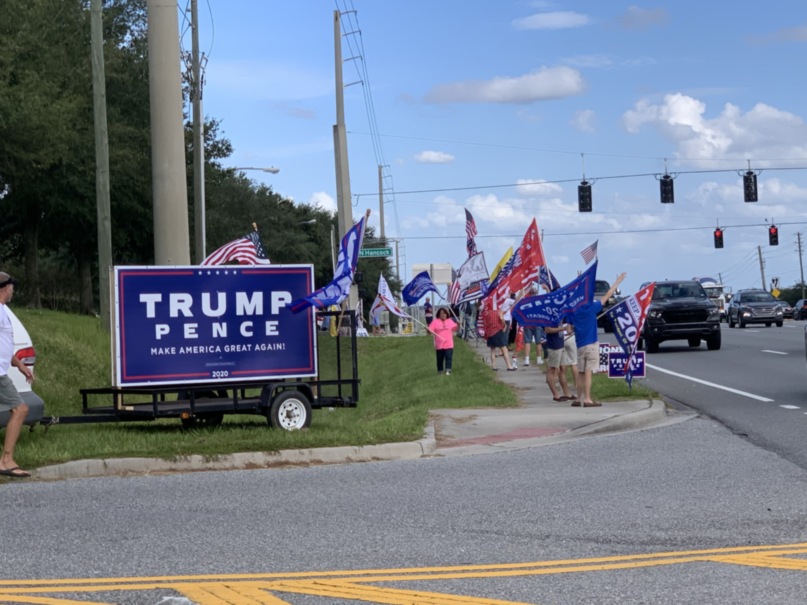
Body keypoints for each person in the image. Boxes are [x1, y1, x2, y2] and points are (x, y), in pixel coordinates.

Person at [567, 272, 626, 407]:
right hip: (591, 343)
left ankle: (579, 398)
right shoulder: (591, 308)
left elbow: (569, 330)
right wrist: (617, 282)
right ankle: (588, 399)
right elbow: (607, 296)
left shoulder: (574, 311)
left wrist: (579, 279)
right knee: (588, 372)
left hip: (580, 344)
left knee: (581, 372)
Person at [0, 272, 33, 478]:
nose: (13, 290)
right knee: (20, 409)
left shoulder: (4, 311)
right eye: (12, 286)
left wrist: (19, 364)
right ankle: (6, 460)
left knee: (19, 409)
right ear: (4, 287)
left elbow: (3, 346)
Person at [543, 322, 574, 401]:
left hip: (561, 343)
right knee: (552, 369)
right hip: (553, 345)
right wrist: (563, 329)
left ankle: (566, 393)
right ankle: (555, 394)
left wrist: (570, 329)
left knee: (563, 368)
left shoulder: (560, 314)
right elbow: (547, 329)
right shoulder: (549, 317)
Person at [483, 304, 515, 371]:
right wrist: (505, 325)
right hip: (498, 332)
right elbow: (501, 318)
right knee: (504, 348)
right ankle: (509, 366)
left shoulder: (488, 313)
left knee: (492, 350)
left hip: (490, 333)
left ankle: (494, 366)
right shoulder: (499, 312)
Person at [427, 307, 458, 375]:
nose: (443, 315)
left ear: (447, 314)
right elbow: (430, 331)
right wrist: (427, 330)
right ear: (439, 314)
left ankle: (448, 370)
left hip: (449, 344)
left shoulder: (450, 321)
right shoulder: (435, 322)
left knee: (448, 357)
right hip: (439, 345)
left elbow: (455, 329)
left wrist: (459, 324)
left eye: (444, 313)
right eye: (441, 313)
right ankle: (440, 371)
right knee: (439, 359)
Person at [521, 284, 544, 367]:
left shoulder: (526, 302)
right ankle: (538, 359)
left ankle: (527, 359)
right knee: (538, 342)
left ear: (530, 293)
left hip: (527, 324)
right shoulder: (539, 302)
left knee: (527, 342)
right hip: (537, 323)